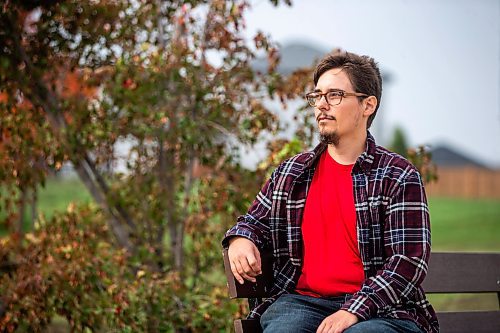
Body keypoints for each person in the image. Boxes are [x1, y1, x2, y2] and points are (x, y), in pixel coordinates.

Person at [222, 50, 439, 333]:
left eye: (335, 95)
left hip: (385, 311)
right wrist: (240, 239)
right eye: (317, 96)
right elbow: (253, 222)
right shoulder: (292, 173)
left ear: (367, 105)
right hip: (303, 304)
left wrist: (353, 310)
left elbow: (407, 262)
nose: (322, 105)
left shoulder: (397, 175)